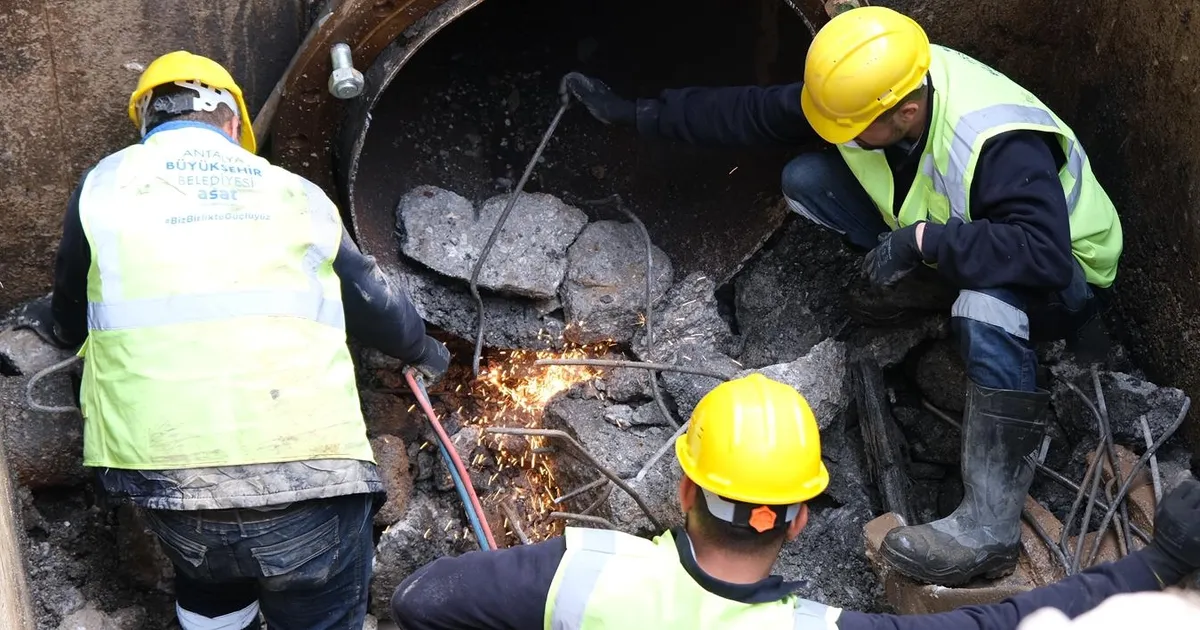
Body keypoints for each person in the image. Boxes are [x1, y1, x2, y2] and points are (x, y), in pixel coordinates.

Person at [559, 5, 1123, 586]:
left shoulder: (997, 143)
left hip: (1061, 280)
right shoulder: (871, 91)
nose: (840, 135)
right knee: (807, 180)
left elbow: (1044, 253)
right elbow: (754, 113)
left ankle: (988, 531)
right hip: (963, 238)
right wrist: (636, 113)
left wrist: (921, 241)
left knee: (985, 305)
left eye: (852, 129)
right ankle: (932, 293)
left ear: (906, 113)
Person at [23, 51, 450, 630]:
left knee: (210, 576)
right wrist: (421, 348)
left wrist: (54, 326)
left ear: (147, 120)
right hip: (308, 479)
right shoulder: (293, 192)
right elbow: (371, 300)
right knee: (319, 611)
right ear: (232, 124)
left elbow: (73, 309)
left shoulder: (105, 185)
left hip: (166, 478)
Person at [389, 374, 1200, 630]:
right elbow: (1006, 624)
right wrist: (1161, 560)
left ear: (685, 490)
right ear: (800, 518)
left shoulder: (584, 571)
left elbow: (419, 601)